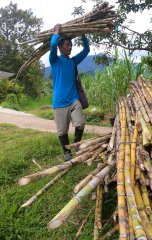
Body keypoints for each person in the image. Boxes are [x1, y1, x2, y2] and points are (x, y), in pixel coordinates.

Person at [49, 23, 90, 161]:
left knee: (80, 123)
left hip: (74, 99)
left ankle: (76, 143)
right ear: (60, 47)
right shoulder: (54, 61)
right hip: (60, 102)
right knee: (62, 131)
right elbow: (52, 46)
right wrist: (56, 32)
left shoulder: (73, 61)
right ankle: (67, 152)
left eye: (71, 45)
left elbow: (86, 50)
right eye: (66, 45)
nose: (69, 47)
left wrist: (82, 34)